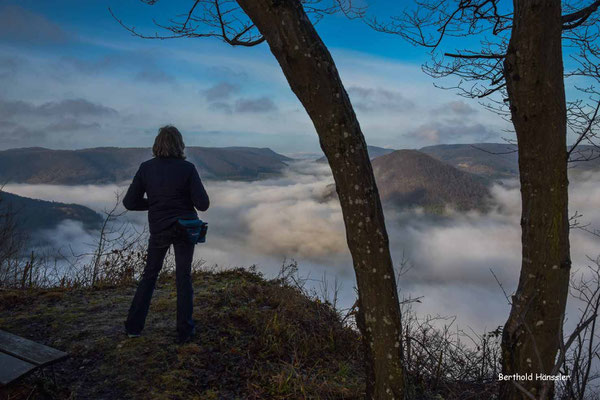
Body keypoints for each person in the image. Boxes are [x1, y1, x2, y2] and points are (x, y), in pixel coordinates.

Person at [122, 125, 209, 343]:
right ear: (180, 145)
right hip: (184, 228)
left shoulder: (146, 168)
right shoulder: (188, 169)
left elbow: (129, 202)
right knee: (183, 277)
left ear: (156, 145)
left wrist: (155, 203)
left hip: (159, 228)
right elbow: (203, 204)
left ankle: (133, 327)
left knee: (149, 276)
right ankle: (185, 331)